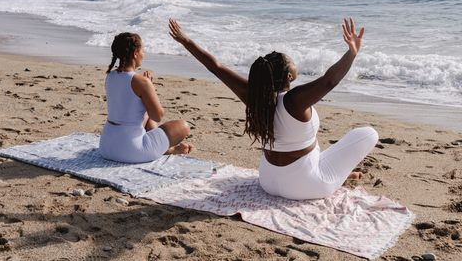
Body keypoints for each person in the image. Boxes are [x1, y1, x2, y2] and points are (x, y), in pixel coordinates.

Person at [169, 18, 378, 200]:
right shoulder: (294, 100)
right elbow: (328, 82)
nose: (295, 64)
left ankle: (335, 174)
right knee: (369, 133)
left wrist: (186, 41)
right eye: (292, 62)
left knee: (312, 149)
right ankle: (332, 177)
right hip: (305, 184)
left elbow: (216, 67)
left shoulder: (255, 97)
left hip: (268, 180)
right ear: (289, 76)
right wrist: (351, 54)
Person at [99, 32, 193, 163]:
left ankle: (162, 148)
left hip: (106, 147)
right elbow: (158, 116)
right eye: (143, 51)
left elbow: (128, 110)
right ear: (135, 53)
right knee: (183, 125)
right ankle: (165, 149)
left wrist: (145, 92)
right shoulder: (141, 82)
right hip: (130, 151)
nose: (144, 55)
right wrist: (149, 89)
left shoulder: (110, 76)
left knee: (145, 117)